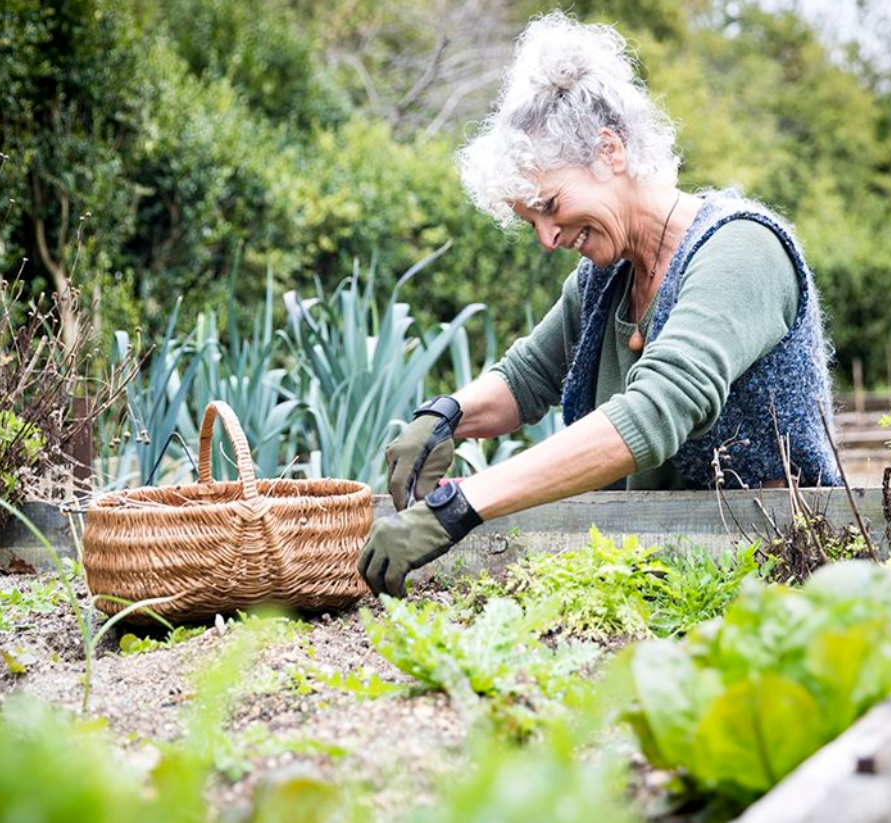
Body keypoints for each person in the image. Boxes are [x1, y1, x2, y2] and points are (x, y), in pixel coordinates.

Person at [358, 12, 841, 598]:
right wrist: (444, 418)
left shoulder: (741, 249)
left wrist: (461, 506)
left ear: (609, 151)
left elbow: (657, 410)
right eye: (530, 220)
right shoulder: (604, 277)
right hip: (666, 572)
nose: (547, 237)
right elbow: (527, 377)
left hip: (778, 576)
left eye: (550, 204)